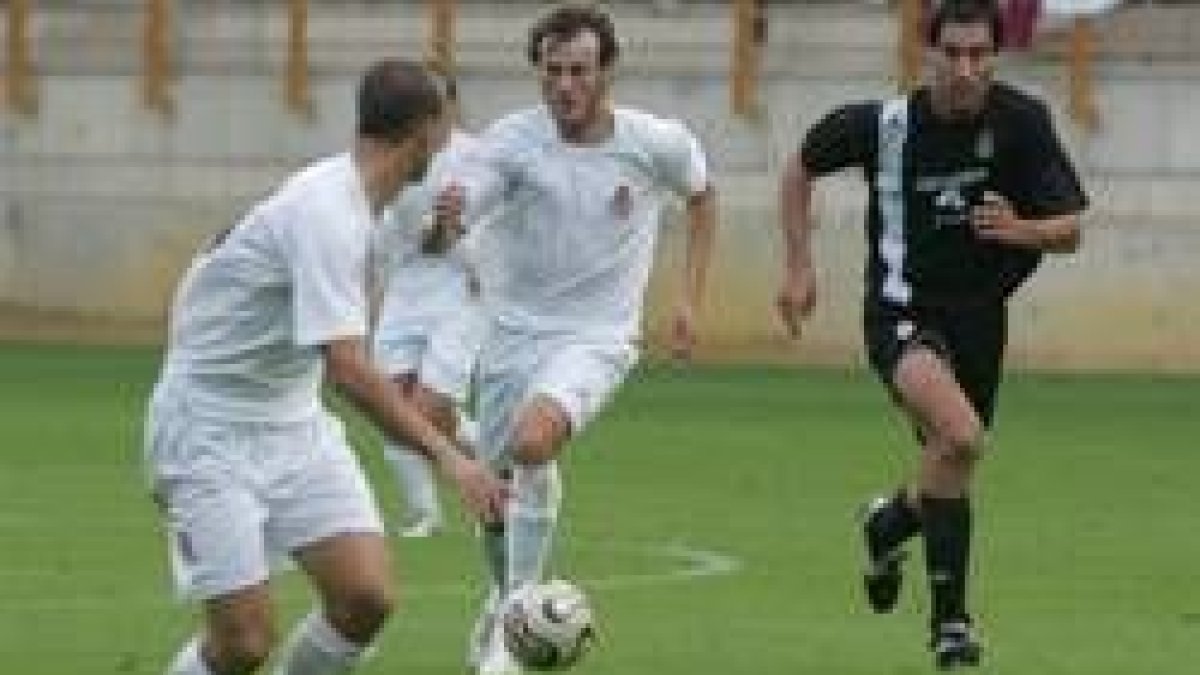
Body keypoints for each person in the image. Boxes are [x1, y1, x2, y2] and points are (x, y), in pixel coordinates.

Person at [145, 59, 506, 675]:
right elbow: (347, 368)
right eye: (442, 133)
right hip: (209, 435)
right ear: (424, 136)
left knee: (365, 599)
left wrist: (436, 238)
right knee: (243, 644)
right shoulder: (325, 211)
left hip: (292, 426)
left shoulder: (367, 207)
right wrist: (449, 458)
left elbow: (215, 265)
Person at [775, 0, 1085, 669]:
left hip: (981, 318)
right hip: (900, 313)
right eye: (954, 53)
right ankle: (952, 624)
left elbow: (1071, 228)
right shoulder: (883, 125)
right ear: (929, 54)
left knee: (952, 457)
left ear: (994, 57)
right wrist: (799, 265)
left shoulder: (1023, 122)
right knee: (963, 435)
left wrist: (1023, 230)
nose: (967, 68)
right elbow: (799, 166)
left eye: (980, 55)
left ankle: (888, 524)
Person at [448, 4, 717, 673]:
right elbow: (473, 198)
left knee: (534, 441)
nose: (565, 85)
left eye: (579, 70)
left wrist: (687, 298)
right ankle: (502, 591)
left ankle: (513, 627)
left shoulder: (655, 142)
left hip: (597, 336)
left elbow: (703, 197)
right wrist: (448, 218)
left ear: (608, 71)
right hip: (511, 333)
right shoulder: (513, 140)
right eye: (553, 71)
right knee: (496, 489)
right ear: (538, 72)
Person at [370, 73, 487, 540]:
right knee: (391, 406)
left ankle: (494, 475)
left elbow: (473, 232)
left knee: (427, 408)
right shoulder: (396, 155)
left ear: (452, 107)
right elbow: (385, 224)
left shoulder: (477, 158)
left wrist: (452, 236)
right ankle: (426, 514)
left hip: (462, 287)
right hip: (406, 285)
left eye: (437, 103)